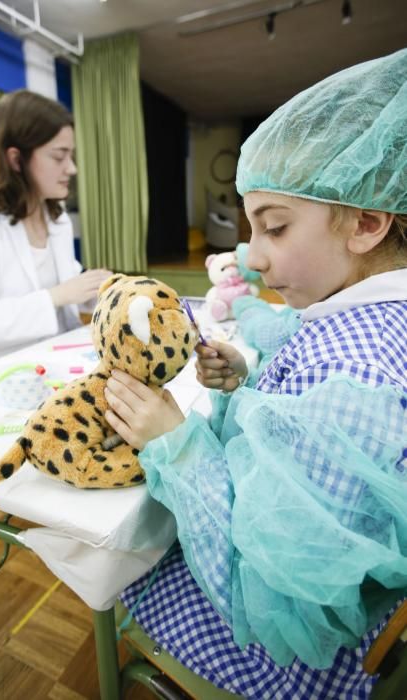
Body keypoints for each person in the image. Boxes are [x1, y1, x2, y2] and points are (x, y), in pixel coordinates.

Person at [104, 49, 407, 697]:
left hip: (290, 657)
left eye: (273, 227)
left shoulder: (347, 372)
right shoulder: (367, 324)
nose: (253, 258)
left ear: (365, 221)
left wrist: (172, 443)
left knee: (122, 565)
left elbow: (269, 604)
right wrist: (248, 376)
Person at [0, 89, 111, 372]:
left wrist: (98, 291)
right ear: (15, 159)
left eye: (71, 155)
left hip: (53, 366)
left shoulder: (57, 220)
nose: (72, 168)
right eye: (59, 157)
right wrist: (58, 295)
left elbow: (69, 296)